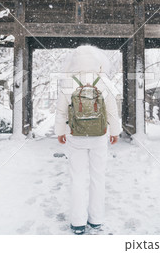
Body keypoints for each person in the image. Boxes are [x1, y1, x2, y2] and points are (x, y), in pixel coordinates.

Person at [54, 45, 121, 235]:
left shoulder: (69, 82)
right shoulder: (103, 81)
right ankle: (96, 220)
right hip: (99, 136)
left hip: (76, 136)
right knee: (98, 177)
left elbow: (61, 111)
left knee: (77, 178)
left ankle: (77, 222)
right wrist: (114, 132)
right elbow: (112, 110)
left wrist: (60, 132)